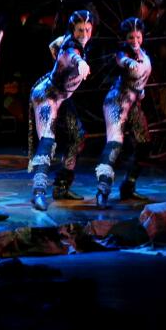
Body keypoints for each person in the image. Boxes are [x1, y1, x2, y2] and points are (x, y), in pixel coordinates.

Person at [29, 11, 94, 211]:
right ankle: (38, 192)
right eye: (80, 30)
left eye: (88, 30)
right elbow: (72, 56)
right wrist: (81, 64)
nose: (84, 34)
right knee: (47, 141)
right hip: (47, 95)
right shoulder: (71, 49)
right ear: (73, 30)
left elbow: (53, 45)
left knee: (78, 137)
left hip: (62, 98)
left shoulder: (65, 41)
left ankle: (62, 186)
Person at [97, 17, 153, 207]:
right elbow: (122, 60)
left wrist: (141, 90)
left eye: (138, 37)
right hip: (117, 102)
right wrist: (129, 62)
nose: (135, 41)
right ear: (125, 38)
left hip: (133, 104)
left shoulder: (144, 54)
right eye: (131, 37)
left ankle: (128, 186)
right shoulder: (123, 53)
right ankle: (102, 190)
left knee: (145, 144)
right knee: (114, 144)